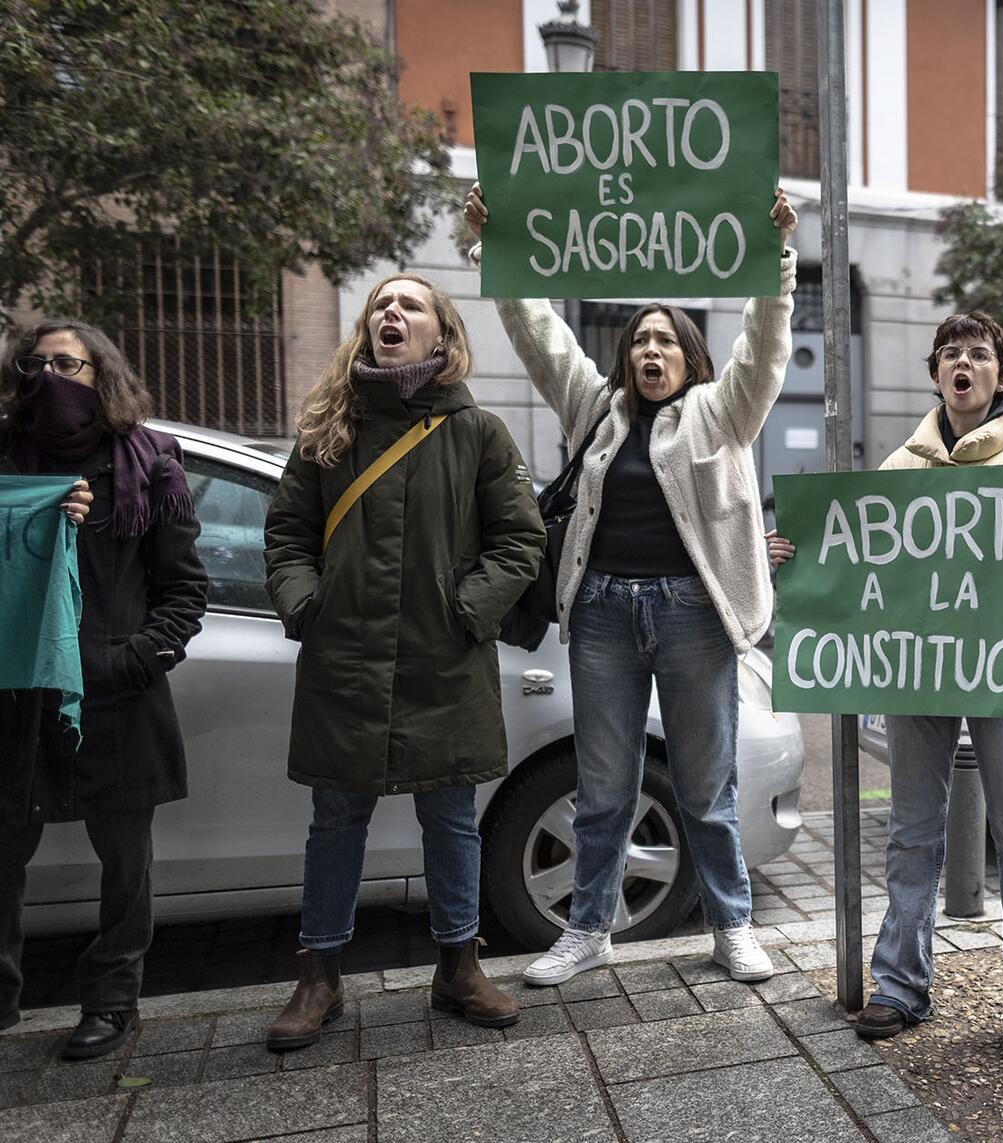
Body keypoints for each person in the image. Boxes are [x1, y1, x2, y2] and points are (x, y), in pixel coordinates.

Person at [464, 183, 797, 986]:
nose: (651, 352)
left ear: (689, 359)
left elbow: (762, 351)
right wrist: (490, 242)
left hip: (693, 617)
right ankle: (588, 929)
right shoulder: (597, 412)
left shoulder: (721, 414)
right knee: (603, 782)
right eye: (641, 341)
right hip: (607, 614)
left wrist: (775, 262)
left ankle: (733, 925)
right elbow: (540, 334)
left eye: (667, 343)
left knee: (705, 785)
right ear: (627, 357)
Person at [766, 312, 1003, 1067]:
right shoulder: (899, 469)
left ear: (1001, 375)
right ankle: (899, 982)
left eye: (978, 353)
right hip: (917, 668)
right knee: (911, 830)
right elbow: (853, 563)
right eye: (951, 354)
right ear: (935, 376)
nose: (964, 363)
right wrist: (796, 555)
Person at [262, 272, 544, 1049]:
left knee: (452, 819)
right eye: (381, 305)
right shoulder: (328, 427)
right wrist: (307, 605)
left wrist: (466, 609)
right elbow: (286, 534)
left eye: (410, 304)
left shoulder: (477, 431)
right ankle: (318, 976)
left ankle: (459, 965)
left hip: (443, 658)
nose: (392, 312)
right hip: (344, 658)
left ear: (441, 335)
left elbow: (520, 541)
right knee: (336, 820)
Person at [0, 322, 205, 1058]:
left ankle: (113, 1001)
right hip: (15, 693)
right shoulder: (5, 456)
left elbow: (184, 593)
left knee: (126, 861)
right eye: (37, 363)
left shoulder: (149, 462)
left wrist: (128, 663)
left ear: (101, 373)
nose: (50, 373)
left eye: (67, 362)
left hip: (113, 697)